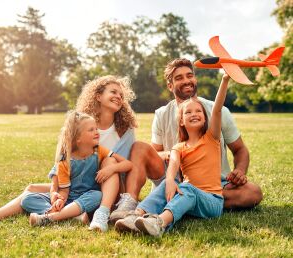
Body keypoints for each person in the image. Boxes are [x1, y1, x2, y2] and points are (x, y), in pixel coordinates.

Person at [0, 75, 137, 230]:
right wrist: (57, 193)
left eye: (122, 94)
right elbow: (63, 163)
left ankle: (80, 214)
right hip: (72, 188)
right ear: (97, 95)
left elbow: (125, 165)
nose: (119, 96)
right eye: (113, 92)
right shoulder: (81, 123)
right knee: (30, 191)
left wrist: (110, 170)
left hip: (104, 189)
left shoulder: (123, 131)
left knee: (108, 164)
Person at [109, 58, 263, 223]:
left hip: (214, 183)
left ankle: (187, 201)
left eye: (189, 75)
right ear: (170, 86)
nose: (186, 80)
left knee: (253, 193)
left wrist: (239, 171)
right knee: (139, 147)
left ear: (195, 79)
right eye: (179, 77)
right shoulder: (162, 114)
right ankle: (131, 205)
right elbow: (154, 154)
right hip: (173, 178)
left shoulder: (217, 111)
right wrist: (173, 154)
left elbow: (240, 150)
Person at [115, 74, 231, 236]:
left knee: (186, 188)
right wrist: (169, 180)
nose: (194, 114)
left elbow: (217, 109)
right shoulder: (179, 147)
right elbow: (173, 165)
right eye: (188, 112)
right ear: (181, 121)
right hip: (188, 198)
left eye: (198, 111)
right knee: (168, 184)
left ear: (205, 118)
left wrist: (224, 80)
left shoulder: (212, 139)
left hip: (212, 202)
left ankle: (159, 223)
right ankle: (136, 216)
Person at [22, 111, 132, 229]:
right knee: (27, 199)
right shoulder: (65, 160)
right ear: (78, 138)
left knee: (97, 195)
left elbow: (128, 164)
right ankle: (70, 215)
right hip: (69, 199)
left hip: (88, 198)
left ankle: (52, 217)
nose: (97, 132)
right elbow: (64, 190)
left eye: (96, 129)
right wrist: (59, 200)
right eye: (91, 130)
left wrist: (111, 168)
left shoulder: (99, 151)